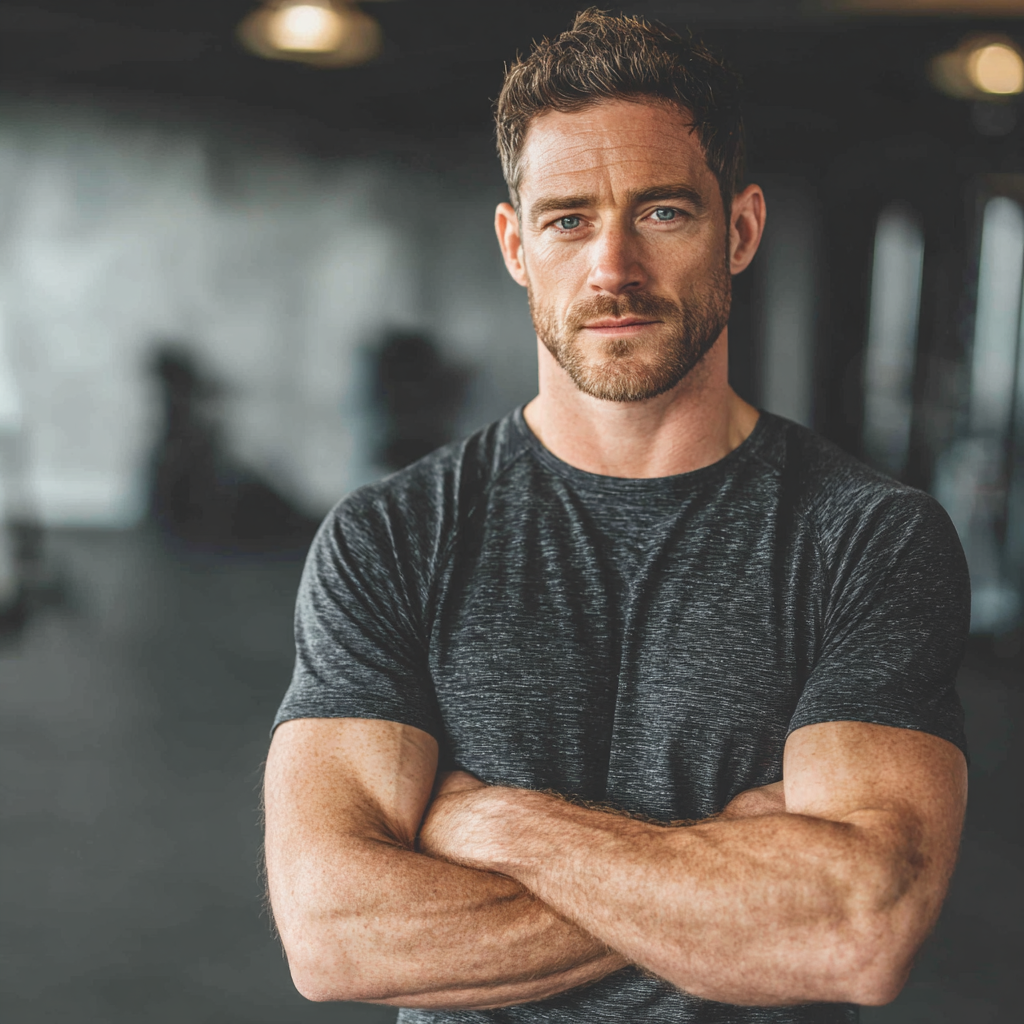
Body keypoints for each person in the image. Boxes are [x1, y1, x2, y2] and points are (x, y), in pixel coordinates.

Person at [263, 10, 969, 1023]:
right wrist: (726, 875)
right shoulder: (390, 537)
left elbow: (853, 926)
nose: (611, 270)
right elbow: (333, 932)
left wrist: (496, 824)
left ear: (741, 229)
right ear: (515, 243)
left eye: (664, 213)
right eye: (567, 220)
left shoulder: (866, 540)